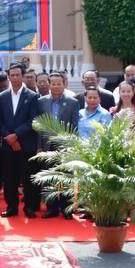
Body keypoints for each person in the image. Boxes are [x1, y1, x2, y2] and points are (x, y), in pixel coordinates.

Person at [0, 63, 39, 218]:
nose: (15, 78)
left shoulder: (32, 96)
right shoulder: (2, 96)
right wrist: (9, 137)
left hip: (26, 144)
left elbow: (33, 120)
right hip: (8, 144)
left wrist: (16, 135)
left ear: (22, 76)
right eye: (12, 75)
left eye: (17, 75)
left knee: (28, 178)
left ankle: (29, 207)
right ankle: (12, 207)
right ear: (8, 77)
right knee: (9, 178)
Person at [38, 73, 81, 218]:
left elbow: (74, 126)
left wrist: (71, 145)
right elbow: (39, 126)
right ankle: (52, 208)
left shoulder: (72, 102)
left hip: (65, 146)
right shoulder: (41, 102)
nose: (56, 86)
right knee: (49, 177)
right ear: (49, 85)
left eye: (59, 83)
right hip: (47, 145)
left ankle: (66, 209)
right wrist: (39, 147)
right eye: (53, 83)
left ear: (64, 84)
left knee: (66, 177)